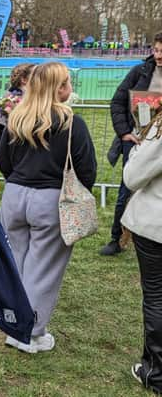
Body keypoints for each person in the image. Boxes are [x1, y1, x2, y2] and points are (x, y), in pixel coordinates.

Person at [0, 62, 96, 353]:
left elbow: (5, 160)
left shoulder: (16, 117)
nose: (70, 88)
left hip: (15, 194)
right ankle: (31, 332)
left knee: (15, 263)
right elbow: (87, 168)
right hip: (50, 197)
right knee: (44, 268)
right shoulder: (70, 122)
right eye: (66, 83)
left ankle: (14, 325)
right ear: (57, 88)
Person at [99, 31, 162, 256]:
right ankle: (117, 238)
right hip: (136, 142)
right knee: (128, 188)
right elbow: (117, 101)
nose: (159, 55)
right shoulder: (140, 72)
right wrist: (124, 132)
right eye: (156, 50)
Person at [121, 108, 162, 393]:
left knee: (157, 296)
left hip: (157, 223)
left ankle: (156, 372)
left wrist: (141, 141)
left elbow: (132, 176)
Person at [0, 63, 35, 157]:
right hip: (15, 146)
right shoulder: (13, 99)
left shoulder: (24, 96)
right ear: (24, 80)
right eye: (35, 76)